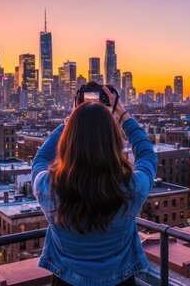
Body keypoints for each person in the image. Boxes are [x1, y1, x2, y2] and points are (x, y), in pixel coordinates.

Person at [32, 87, 158, 285]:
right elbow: (147, 156)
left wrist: (71, 120)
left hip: (66, 281)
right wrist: (122, 113)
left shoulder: (49, 187)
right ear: (113, 141)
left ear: (69, 141)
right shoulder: (131, 187)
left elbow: (40, 159)